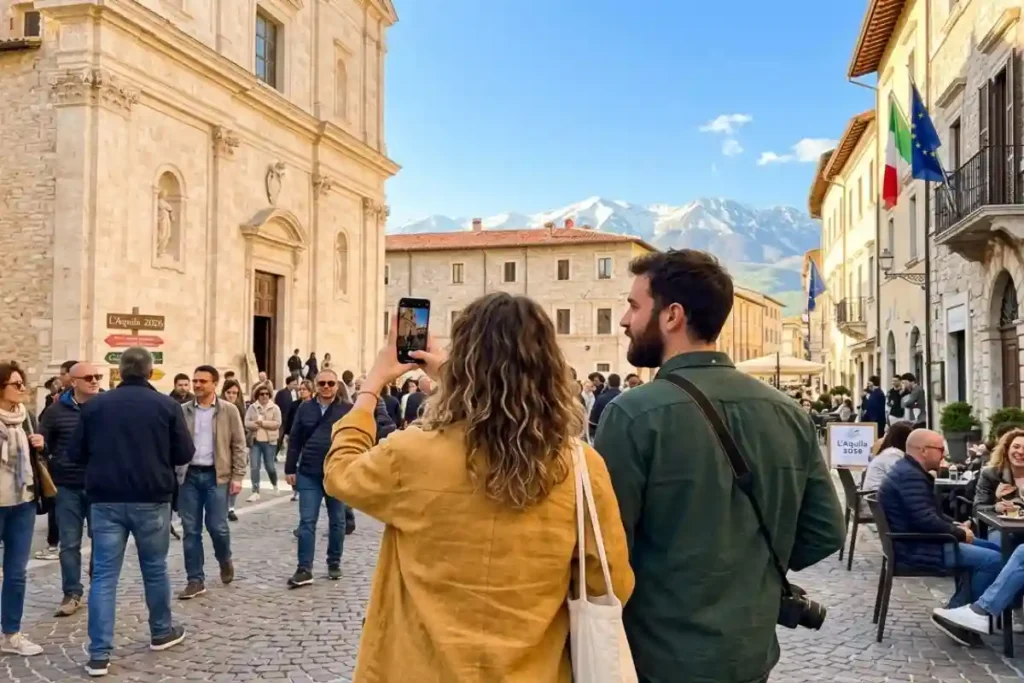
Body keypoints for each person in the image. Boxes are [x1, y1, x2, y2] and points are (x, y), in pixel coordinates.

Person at [323, 294, 633, 682]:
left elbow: (341, 472)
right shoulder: (581, 466)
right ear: (550, 368)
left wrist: (371, 387)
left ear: (464, 363)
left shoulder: (412, 453)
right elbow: (610, 581)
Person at [594, 249, 845, 683]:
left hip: (657, 655)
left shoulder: (632, 414)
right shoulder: (788, 411)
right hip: (749, 652)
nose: (624, 320)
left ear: (672, 316)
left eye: (634, 306)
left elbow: (607, 552)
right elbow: (825, 532)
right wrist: (749, 568)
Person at [67, 348, 192, 676]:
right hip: (151, 497)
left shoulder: (95, 407)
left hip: (105, 498)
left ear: (119, 372)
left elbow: (74, 453)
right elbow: (185, 452)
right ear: (150, 373)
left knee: (105, 576)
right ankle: (161, 631)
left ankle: (99, 653)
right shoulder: (167, 406)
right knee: (154, 567)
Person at [878, 428, 1003, 643]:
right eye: (940, 449)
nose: (944, 454)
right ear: (924, 451)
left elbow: (928, 514)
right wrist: (958, 533)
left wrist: (954, 524)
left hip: (921, 542)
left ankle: (966, 611)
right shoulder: (910, 476)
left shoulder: (909, 471)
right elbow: (925, 520)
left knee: (998, 550)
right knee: (993, 560)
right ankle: (956, 615)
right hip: (918, 548)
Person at [177, 366, 246, 600]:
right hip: (189, 477)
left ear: (214, 384)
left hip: (218, 476)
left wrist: (238, 476)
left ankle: (224, 558)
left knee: (217, 527)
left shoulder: (228, 411)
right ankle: (195, 579)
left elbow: (238, 444)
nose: (197, 385)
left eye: (202, 381)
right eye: (194, 380)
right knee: (190, 530)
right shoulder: (182, 411)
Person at [40, 361, 103, 618]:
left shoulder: (106, 406)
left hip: (101, 485)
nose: (94, 381)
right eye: (88, 377)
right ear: (73, 382)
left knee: (102, 541)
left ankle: (99, 587)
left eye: (97, 376)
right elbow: (45, 446)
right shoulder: (55, 411)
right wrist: (41, 446)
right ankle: (72, 592)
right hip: (67, 486)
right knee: (69, 543)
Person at [285, 370, 351, 586]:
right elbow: (295, 439)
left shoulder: (347, 409)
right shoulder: (305, 408)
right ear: (315, 385)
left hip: (336, 473)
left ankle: (334, 562)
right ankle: (304, 569)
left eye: (330, 383)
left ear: (336, 385)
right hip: (309, 473)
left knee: (338, 521)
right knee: (307, 522)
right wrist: (289, 468)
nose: (326, 387)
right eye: (322, 383)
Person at [0, 361, 47, 656]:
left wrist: (41, 443)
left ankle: (12, 633)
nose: (22, 389)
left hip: (23, 503)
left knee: (16, 573)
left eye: (23, 383)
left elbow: (36, 460)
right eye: (15, 385)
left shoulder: (26, 418)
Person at [244, 386, 281, 501]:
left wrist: (263, 423)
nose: (264, 396)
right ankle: (255, 491)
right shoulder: (252, 407)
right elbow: (246, 422)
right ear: (257, 395)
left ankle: (274, 484)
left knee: (270, 466)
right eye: (261, 394)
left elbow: (277, 424)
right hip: (255, 441)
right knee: (254, 466)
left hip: (270, 442)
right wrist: (255, 424)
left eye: (266, 394)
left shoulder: (275, 408)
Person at [220, 379, 247, 522]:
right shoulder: (219, 408)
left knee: (235, 478)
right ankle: (224, 506)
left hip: (236, 448)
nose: (231, 395)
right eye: (229, 392)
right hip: (222, 449)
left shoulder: (240, 409)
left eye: (235, 393)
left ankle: (231, 507)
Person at [862, 421, 913, 492]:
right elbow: (902, 478)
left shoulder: (889, 453)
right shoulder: (892, 454)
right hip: (875, 497)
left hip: (877, 495)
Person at [588, 372, 621, 439]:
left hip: (603, 433)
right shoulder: (625, 397)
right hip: (619, 433)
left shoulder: (601, 398)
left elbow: (594, 419)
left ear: (608, 383)